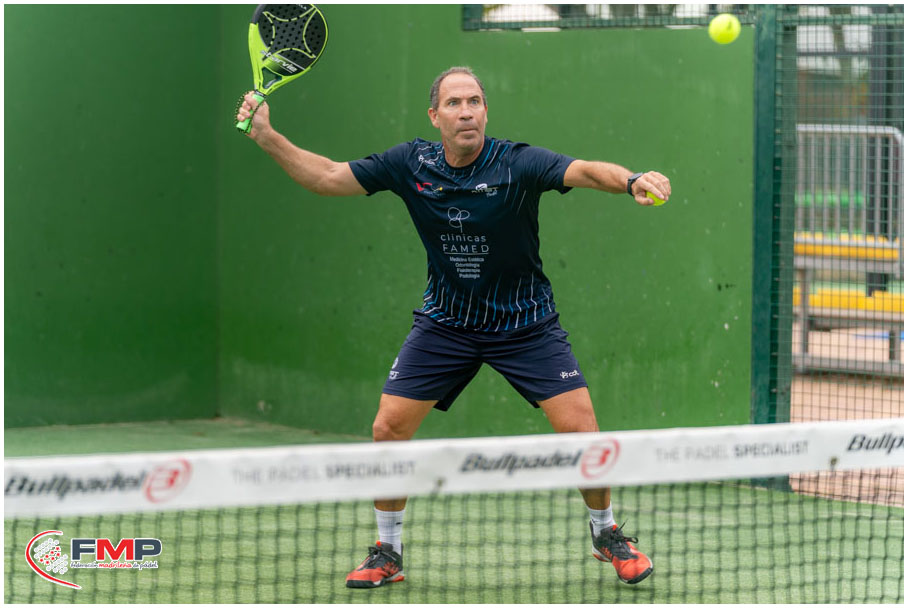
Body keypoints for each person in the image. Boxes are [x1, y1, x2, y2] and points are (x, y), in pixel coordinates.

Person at [236, 66, 671, 589]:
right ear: (434, 115)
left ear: (485, 111)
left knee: (582, 432)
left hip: (524, 322)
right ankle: (387, 550)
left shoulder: (516, 163)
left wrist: (631, 181)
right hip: (447, 324)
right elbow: (327, 177)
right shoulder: (409, 164)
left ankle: (606, 534)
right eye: (454, 103)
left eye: (474, 101)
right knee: (388, 429)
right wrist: (267, 136)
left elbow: (585, 171)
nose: (466, 111)